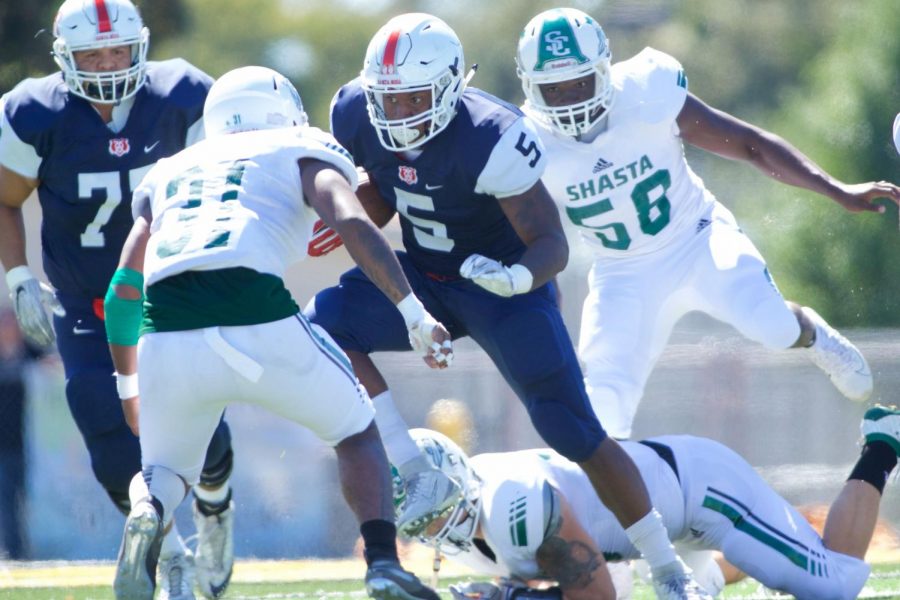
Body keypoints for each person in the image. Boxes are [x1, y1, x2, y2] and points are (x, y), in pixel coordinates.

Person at [304, 12, 710, 598]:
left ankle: (667, 568)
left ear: (448, 87)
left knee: (573, 429)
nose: (397, 114)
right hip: (423, 274)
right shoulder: (354, 113)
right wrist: (357, 206)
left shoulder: (493, 135)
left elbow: (552, 242)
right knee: (324, 327)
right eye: (387, 99)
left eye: (413, 96)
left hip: (500, 288)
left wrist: (516, 278)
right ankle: (411, 468)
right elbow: (391, 195)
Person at [104, 65, 451, 600]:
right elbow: (350, 219)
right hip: (252, 305)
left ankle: (148, 511)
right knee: (358, 429)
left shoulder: (171, 167)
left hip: (165, 326)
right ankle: (383, 562)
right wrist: (413, 311)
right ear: (284, 112)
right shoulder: (298, 143)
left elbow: (124, 286)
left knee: (164, 470)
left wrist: (129, 387)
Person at [513, 8, 900, 440]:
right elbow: (532, 237)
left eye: (579, 82)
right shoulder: (526, 143)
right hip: (622, 272)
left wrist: (836, 189)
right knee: (605, 406)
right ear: (530, 88)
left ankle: (810, 333)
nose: (571, 99)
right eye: (555, 89)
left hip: (696, 237)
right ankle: (632, 504)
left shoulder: (645, 91)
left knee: (771, 326)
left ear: (604, 68)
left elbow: (750, 145)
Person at [0, 1, 236, 597]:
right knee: (100, 420)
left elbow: (225, 186)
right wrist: (19, 276)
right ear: (64, 58)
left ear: (141, 46)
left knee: (201, 425)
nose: (107, 65)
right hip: (86, 299)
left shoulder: (184, 96)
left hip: (171, 289)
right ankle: (172, 552)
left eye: (117, 51)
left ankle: (215, 507)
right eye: (91, 54)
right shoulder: (35, 112)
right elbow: (4, 197)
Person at [405, 403, 900, 600]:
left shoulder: (513, 501)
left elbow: (598, 594)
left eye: (437, 504)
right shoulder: (474, 521)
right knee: (696, 586)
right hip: (649, 534)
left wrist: (513, 597)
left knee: (832, 584)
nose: (433, 523)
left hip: (702, 496)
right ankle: (743, 561)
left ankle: (883, 442)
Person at [0, 308, 48, 560]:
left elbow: (53, 366)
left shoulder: (30, 352)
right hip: (3, 443)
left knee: (29, 496)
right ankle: (13, 551)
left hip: (30, 442)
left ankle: (28, 548)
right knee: (6, 498)